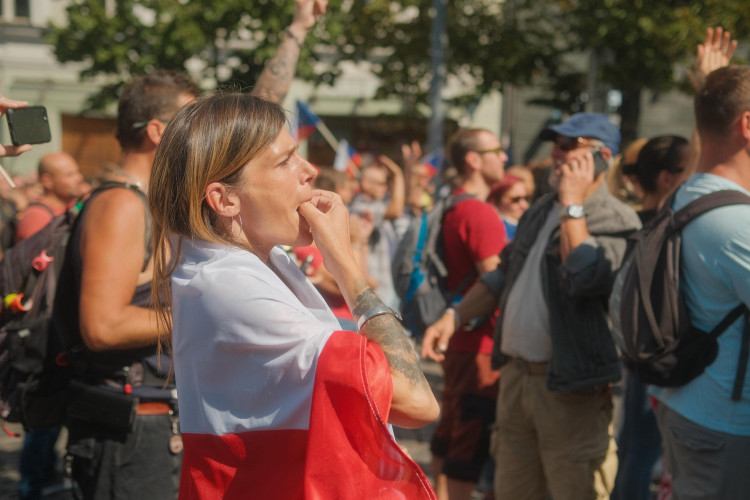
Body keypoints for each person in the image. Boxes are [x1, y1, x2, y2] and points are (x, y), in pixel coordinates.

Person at [51, 2, 328, 499]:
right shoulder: (121, 204)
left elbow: (253, 132)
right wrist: (220, 311)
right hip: (134, 425)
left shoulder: (179, 201)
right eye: (192, 118)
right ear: (159, 132)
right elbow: (102, 325)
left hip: (163, 421)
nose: (209, 128)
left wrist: (296, 32)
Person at [148, 92, 439, 498]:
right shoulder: (230, 284)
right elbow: (417, 404)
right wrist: (347, 267)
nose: (310, 170)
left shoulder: (260, 261)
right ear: (225, 199)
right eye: (285, 162)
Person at [423, 113, 641, 500]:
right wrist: (454, 316)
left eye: (570, 146)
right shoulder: (542, 209)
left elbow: (583, 277)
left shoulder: (615, 218)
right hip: (516, 380)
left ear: (603, 157)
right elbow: (501, 275)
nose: (556, 154)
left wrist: (573, 204)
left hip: (569, 390)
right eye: (555, 144)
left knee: (574, 489)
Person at [648, 65, 750, 500]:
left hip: (688, 403)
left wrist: (712, 87)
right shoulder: (736, 224)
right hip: (723, 426)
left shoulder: (686, 194)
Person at [428, 128, 508, 500]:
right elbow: (498, 282)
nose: (504, 157)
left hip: (460, 338)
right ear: (474, 160)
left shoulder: (451, 203)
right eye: (497, 151)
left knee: (451, 436)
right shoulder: (479, 212)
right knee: (469, 445)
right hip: (481, 346)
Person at [612, 135, 690, 500]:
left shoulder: (629, 221)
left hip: (635, 346)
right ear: (666, 178)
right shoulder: (663, 224)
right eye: (687, 170)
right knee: (642, 447)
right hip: (657, 346)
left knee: (632, 442)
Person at [349, 158, 405, 309]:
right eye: (382, 183)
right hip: (374, 289)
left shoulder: (376, 205)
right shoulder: (360, 207)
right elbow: (396, 210)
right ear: (366, 184)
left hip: (384, 287)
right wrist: (398, 175)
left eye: (387, 184)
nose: (385, 188)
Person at [14, 152, 84, 243]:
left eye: (77, 172)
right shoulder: (37, 216)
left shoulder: (67, 210)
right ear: (47, 181)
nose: (79, 178)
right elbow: (33, 255)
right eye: (70, 175)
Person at [488, 173, 530, 242]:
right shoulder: (495, 227)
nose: (524, 205)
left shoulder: (522, 225)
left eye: (526, 198)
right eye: (515, 200)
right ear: (497, 200)